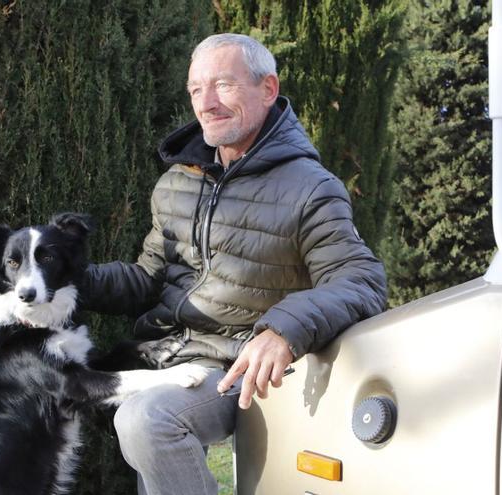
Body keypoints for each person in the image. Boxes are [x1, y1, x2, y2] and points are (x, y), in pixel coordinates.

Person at [81, 33, 387, 495]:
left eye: (222, 85)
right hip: (166, 356)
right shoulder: (176, 183)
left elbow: (362, 280)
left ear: (267, 89)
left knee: (147, 419)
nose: (206, 103)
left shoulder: (311, 188)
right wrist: (62, 280)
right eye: (196, 89)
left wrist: (281, 330)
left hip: (234, 364)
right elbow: (148, 278)